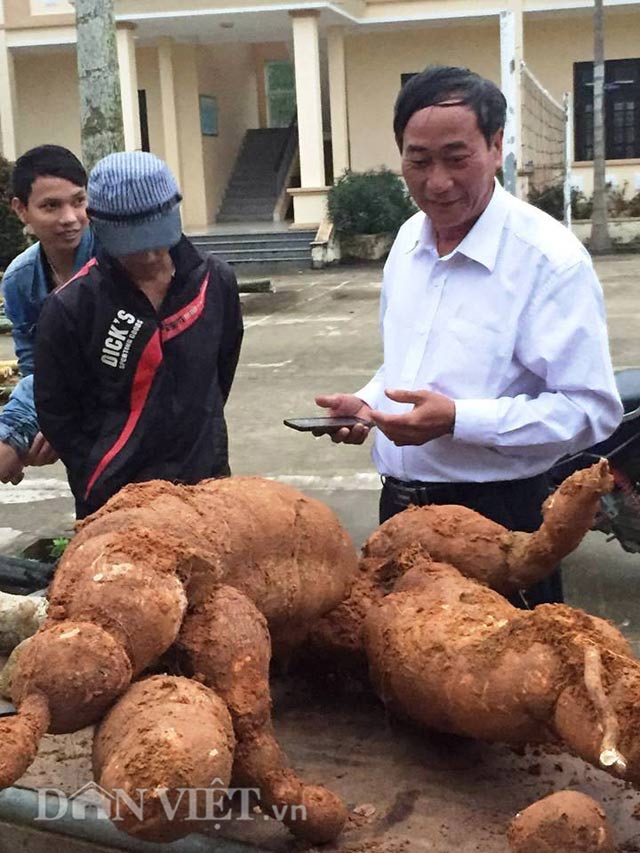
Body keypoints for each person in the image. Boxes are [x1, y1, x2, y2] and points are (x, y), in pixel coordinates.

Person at [314, 65, 623, 607]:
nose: (437, 183)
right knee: (397, 678)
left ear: (497, 145)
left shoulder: (549, 262)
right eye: (418, 161)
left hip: (498, 522)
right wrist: (367, 403)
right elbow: (407, 367)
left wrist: (457, 420)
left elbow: (591, 410)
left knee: (506, 682)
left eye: (457, 159)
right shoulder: (410, 240)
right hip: (400, 514)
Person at [34, 151, 243, 518]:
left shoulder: (214, 282)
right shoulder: (71, 307)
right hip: (115, 499)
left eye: (156, 237)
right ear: (95, 222)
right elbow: (58, 413)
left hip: (206, 488)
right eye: (132, 242)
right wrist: (98, 470)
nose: (147, 254)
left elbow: (219, 371)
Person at [0, 144, 94, 484]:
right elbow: (38, 371)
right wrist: (49, 424)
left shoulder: (115, 258)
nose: (69, 218)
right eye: (51, 206)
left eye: (78, 201)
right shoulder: (20, 280)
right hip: (83, 445)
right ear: (21, 209)